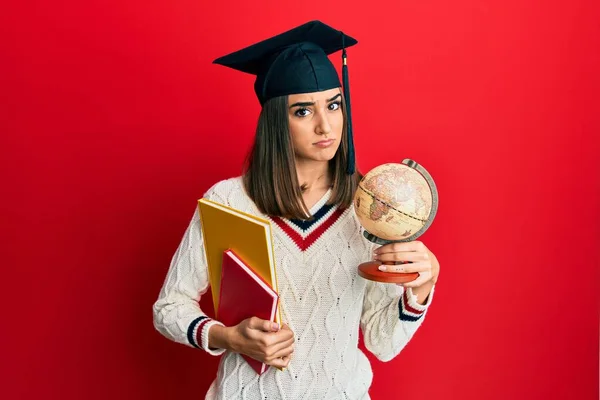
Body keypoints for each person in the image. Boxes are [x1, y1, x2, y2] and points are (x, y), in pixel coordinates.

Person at [153, 20, 440, 400]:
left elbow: (383, 342)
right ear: (276, 121)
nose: (326, 125)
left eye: (334, 105)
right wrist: (228, 336)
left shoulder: (372, 207)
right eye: (303, 111)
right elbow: (168, 308)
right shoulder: (228, 201)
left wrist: (419, 291)